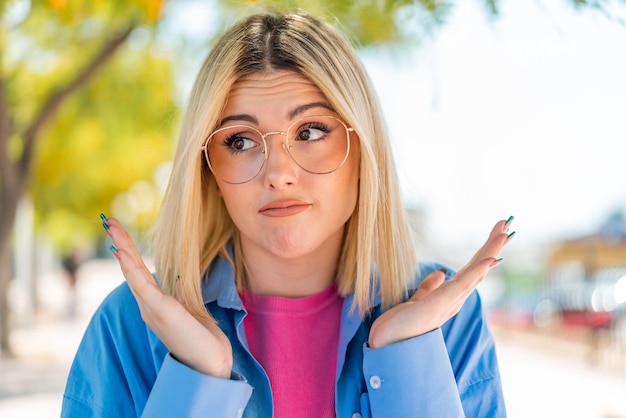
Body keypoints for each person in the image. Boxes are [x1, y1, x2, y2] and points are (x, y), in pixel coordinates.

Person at [61, 10, 514, 418]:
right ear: (207, 169)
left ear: (364, 150)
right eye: (239, 140)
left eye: (311, 131)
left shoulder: (444, 317)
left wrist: (408, 362)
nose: (278, 172)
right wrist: (197, 383)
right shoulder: (129, 327)